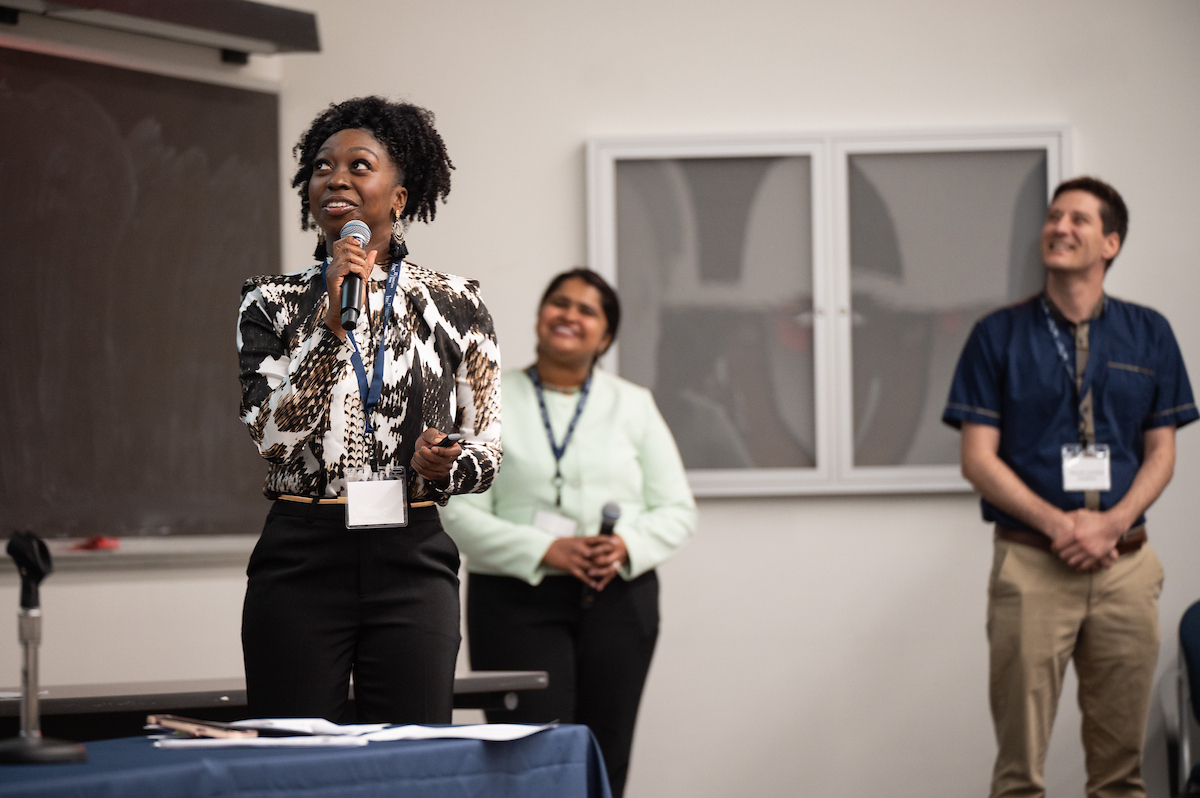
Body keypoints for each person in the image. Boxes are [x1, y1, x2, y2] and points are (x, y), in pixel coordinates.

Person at [236, 96, 501, 724]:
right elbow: (272, 440)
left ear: (400, 197)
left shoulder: (458, 304)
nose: (336, 179)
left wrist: (447, 465)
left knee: (411, 753)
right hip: (302, 552)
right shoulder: (269, 304)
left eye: (360, 165)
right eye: (323, 167)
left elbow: (486, 450)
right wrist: (329, 333)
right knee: (293, 755)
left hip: (412, 552)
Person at [943, 177, 1197, 798]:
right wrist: (1063, 527)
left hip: (1125, 565)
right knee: (1019, 775)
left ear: (1110, 243)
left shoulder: (1150, 333)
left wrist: (1110, 524)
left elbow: (1161, 454)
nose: (1060, 227)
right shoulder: (996, 335)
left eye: (1079, 220)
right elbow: (977, 459)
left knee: (1120, 775)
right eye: (1054, 217)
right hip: (1032, 564)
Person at [440, 268, 696, 797]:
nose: (569, 316)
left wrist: (626, 545)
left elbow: (676, 510)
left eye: (587, 310)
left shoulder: (633, 404)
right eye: (559, 303)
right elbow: (457, 512)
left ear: (605, 336)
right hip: (515, 603)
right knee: (529, 760)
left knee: (607, 755)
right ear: (539, 317)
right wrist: (546, 549)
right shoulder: (486, 396)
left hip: (618, 600)